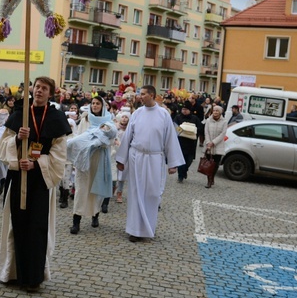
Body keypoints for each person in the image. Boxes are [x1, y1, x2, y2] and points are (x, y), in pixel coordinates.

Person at [0, 77, 71, 291]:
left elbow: (59, 154)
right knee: (16, 226)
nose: (39, 91)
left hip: (40, 181)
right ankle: (14, 273)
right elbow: (1, 149)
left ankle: (33, 278)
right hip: (18, 176)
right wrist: (17, 140)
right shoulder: (20, 113)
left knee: (36, 228)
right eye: (37, 87)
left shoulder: (56, 118)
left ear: (50, 93)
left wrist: (37, 164)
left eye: (44, 88)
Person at [115, 85, 183, 242]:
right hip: (136, 156)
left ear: (152, 95)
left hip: (154, 158)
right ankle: (134, 230)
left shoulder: (163, 115)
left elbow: (170, 139)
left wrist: (172, 163)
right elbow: (127, 137)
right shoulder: (137, 113)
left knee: (152, 193)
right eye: (140, 94)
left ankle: (147, 229)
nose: (140, 96)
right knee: (135, 192)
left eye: (143, 94)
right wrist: (121, 160)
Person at [67, 96, 116, 234]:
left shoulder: (108, 121)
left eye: (98, 103)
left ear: (103, 106)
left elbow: (112, 138)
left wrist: (103, 141)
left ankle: (96, 215)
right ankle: (76, 221)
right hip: (85, 157)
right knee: (82, 189)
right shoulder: (85, 119)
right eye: (93, 103)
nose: (95, 106)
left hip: (100, 157)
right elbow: (79, 137)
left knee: (96, 188)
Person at [174, 101, 201, 182]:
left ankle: (185, 170)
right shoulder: (178, 117)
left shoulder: (194, 118)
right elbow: (174, 126)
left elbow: (199, 128)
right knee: (180, 160)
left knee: (189, 160)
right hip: (180, 142)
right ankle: (180, 176)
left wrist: (193, 132)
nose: (184, 111)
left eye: (186, 109)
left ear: (190, 110)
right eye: (183, 109)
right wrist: (182, 131)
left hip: (191, 143)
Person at [203, 105, 228, 188]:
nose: (215, 112)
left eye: (217, 111)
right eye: (214, 110)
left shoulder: (224, 122)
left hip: (218, 145)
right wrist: (208, 142)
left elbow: (223, 134)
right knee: (209, 163)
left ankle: (212, 176)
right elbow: (206, 132)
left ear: (220, 112)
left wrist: (213, 142)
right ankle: (209, 180)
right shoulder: (208, 120)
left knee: (215, 164)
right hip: (208, 145)